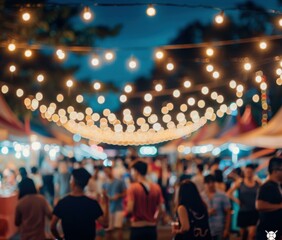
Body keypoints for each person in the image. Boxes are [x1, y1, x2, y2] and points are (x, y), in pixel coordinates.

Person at [51, 168, 109, 240]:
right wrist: (106, 203)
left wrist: (59, 238)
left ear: (73, 182)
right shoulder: (92, 204)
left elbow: (53, 226)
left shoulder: (63, 203)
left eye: (71, 179)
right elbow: (105, 224)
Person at [126, 160, 164, 240]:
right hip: (151, 228)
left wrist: (126, 217)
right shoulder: (156, 187)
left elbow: (130, 209)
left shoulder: (133, 187)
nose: (131, 174)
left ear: (136, 171)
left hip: (137, 227)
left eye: (132, 171)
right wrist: (154, 220)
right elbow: (161, 209)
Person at [227, 164, 260, 240]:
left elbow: (264, 190)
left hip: (254, 212)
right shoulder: (240, 183)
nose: (248, 173)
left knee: (251, 235)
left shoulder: (257, 182)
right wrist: (237, 201)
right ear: (244, 172)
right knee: (243, 236)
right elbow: (229, 193)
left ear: (253, 172)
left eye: (250, 171)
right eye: (247, 171)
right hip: (243, 211)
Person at [255, 157, 282, 240]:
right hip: (267, 230)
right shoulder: (266, 186)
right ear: (275, 171)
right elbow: (259, 205)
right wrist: (280, 206)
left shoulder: (278, 185)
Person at [202, 175, 231, 240]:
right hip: (207, 229)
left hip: (220, 228)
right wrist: (208, 213)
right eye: (208, 183)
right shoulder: (201, 196)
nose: (210, 185)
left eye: (212, 182)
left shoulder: (222, 195)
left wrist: (227, 229)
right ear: (204, 184)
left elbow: (228, 213)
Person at [103, 166, 126, 240]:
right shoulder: (105, 183)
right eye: (105, 172)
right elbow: (103, 195)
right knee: (109, 229)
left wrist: (119, 195)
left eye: (107, 171)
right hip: (109, 208)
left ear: (111, 170)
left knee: (118, 227)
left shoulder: (119, 181)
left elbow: (125, 193)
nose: (106, 173)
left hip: (118, 207)